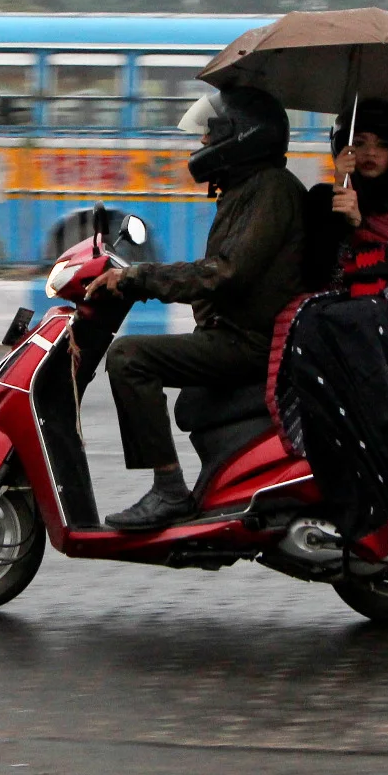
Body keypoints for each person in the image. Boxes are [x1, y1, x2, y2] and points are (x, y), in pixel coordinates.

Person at [87, 85, 305, 530]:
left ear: (242, 137)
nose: (203, 143)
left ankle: (168, 490)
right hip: (235, 334)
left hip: (250, 342)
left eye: (211, 133)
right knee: (191, 406)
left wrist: (140, 278)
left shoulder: (271, 190)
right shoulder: (250, 188)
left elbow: (225, 272)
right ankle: (224, 487)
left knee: (129, 358)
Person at [271, 98, 388, 562]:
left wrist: (360, 225)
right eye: (357, 142)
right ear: (340, 150)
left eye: (381, 144)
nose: (369, 152)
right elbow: (313, 273)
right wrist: (336, 213)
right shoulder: (319, 200)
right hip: (332, 321)